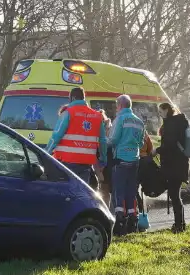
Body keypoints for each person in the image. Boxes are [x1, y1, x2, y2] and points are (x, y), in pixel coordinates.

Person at [44, 87, 107, 187]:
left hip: (67, 161)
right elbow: (103, 140)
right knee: (81, 191)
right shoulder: (97, 116)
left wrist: (46, 153)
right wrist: (103, 159)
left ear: (72, 98)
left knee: (66, 191)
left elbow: (56, 136)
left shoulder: (68, 113)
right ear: (83, 98)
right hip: (86, 163)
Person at [109, 95, 146, 234]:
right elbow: (141, 143)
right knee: (131, 191)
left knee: (119, 192)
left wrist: (102, 141)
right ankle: (132, 220)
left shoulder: (120, 119)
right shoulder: (139, 121)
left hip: (121, 159)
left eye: (116, 105)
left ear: (120, 105)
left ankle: (119, 222)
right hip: (134, 160)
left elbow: (113, 139)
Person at [158, 102, 190, 233]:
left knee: (174, 195)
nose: (160, 114)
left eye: (161, 111)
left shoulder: (171, 124)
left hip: (173, 165)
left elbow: (169, 144)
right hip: (179, 164)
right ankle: (180, 224)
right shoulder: (178, 122)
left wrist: (157, 150)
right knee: (175, 195)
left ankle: (179, 225)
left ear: (166, 110)